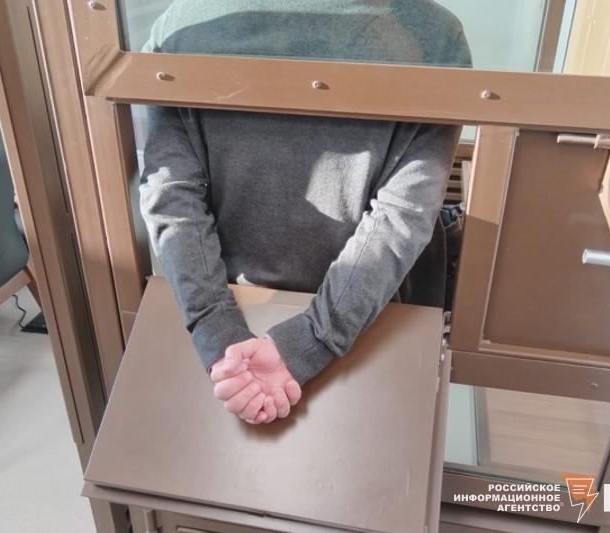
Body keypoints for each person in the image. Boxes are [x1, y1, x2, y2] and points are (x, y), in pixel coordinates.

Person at [139, 0, 472, 424]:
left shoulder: (181, 25)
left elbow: (171, 194)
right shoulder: (433, 36)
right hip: (370, 319)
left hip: (239, 305)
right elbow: (401, 216)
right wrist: (311, 339)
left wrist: (216, 327)